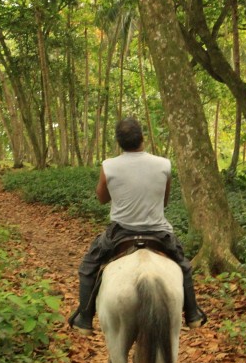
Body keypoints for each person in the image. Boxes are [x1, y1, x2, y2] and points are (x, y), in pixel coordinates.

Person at [67, 117, 208, 336]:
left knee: (88, 266)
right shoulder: (164, 164)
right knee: (184, 266)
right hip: (159, 232)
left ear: (119, 143)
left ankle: (85, 318)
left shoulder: (108, 166)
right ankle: (192, 314)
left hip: (120, 232)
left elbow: (102, 198)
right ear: (143, 137)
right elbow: (164, 201)